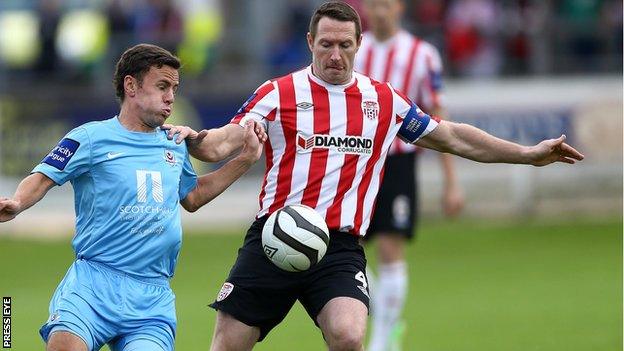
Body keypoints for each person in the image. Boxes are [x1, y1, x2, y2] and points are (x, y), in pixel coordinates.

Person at [167, 2, 583, 350]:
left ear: (359, 45)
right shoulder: (279, 93)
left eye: (344, 45)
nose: (335, 55)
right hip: (273, 238)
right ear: (310, 42)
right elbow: (221, 144)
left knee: (349, 336)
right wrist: (194, 140)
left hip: (339, 245)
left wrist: (528, 154)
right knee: (227, 344)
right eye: (326, 44)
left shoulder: (382, 100)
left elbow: (453, 137)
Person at [0, 44, 262, 351]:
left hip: (151, 299)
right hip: (93, 284)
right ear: (131, 86)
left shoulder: (173, 144)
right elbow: (43, 177)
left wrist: (243, 161)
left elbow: (193, 197)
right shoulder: (89, 138)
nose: (170, 97)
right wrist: (17, 203)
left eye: (174, 88)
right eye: (162, 86)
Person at [354, 1, 463, 350]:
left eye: (385, 3)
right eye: (373, 4)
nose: (379, 10)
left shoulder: (422, 54)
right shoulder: (355, 48)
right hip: (357, 160)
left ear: (399, 7)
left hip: (398, 164)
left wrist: (451, 183)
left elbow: (438, 119)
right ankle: (387, 316)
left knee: (389, 246)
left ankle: (383, 342)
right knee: (344, 249)